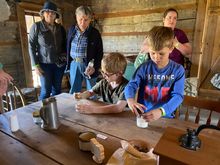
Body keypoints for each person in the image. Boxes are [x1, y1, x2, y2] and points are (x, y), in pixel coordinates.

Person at [125, 26, 185, 122]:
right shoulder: (143, 67)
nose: (156, 57)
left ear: (171, 49)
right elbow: (131, 85)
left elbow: (178, 96)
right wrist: (130, 99)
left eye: (161, 54)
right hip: (143, 115)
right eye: (152, 53)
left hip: (165, 116)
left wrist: (161, 111)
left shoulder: (178, 70)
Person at [28, 1, 66, 100]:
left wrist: (65, 59)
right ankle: (43, 112)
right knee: (46, 91)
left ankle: (56, 111)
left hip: (59, 64)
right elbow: (31, 46)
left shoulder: (60, 28)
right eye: (47, 11)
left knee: (57, 90)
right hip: (44, 65)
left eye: (53, 12)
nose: (50, 14)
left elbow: (65, 45)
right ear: (43, 14)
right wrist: (35, 65)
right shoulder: (36, 27)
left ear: (55, 15)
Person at [66, 6, 103, 94]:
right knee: (74, 90)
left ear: (90, 20)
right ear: (76, 18)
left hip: (89, 65)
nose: (83, 22)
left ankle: (92, 107)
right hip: (74, 64)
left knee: (91, 91)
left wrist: (95, 67)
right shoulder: (71, 30)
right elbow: (67, 46)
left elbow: (99, 52)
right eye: (80, 19)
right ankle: (74, 107)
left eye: (86, 20)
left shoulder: (95, 33)